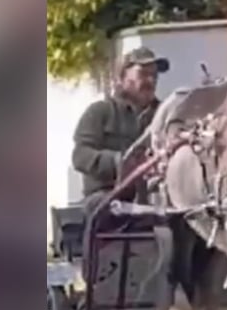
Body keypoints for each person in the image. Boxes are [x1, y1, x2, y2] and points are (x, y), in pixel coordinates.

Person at [72, 47, 169, 215]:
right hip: (106, 196)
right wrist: (120, 162)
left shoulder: (165, 115)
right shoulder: (100, 112)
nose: (151, 80)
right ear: (122, 77)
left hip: (155, 197)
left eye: (154, 75)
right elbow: (80, 156)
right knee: (110, 210)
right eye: (143, 74)